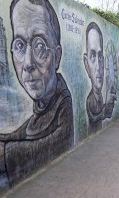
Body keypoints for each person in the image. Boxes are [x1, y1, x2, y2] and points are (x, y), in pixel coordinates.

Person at [0, 0, 73, 184]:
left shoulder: (63, 101)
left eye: (40, 46)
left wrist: (6, 151)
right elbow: (27, 130)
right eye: (19, 45)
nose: (28, 63)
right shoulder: (42, 107)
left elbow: (53, 144)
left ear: (57, 56)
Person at [83, 22, 117, 133]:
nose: (98, 66)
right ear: (86, 64)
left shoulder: (100, 96)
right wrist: (106, 109)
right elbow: (94, 118)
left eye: (100, 56)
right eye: (92, 56)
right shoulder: (90, 100)